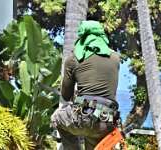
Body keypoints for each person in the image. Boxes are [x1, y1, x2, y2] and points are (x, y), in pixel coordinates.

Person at [51, 20, 120, 150]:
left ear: (82, 37)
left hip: (83, 116)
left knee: (57, 118)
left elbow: (66, 96)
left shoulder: (73, 59)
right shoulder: (115, 57)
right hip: (107, 119)